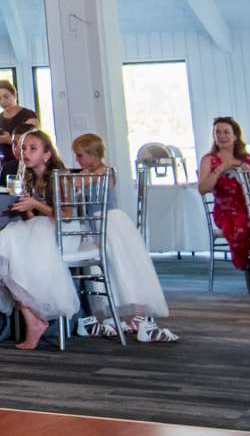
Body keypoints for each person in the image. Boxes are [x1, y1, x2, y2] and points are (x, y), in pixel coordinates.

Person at [0, 129, 81, 350]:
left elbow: (67, 215)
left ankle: (34, 319)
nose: (25, 152)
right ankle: (31, 318)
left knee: (18, 249)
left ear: (47, 154)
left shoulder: (59, 177)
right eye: (23, 148)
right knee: (7, 254)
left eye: (33, 148)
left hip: (65, 232)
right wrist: (25, 207)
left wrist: (34, 205)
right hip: (41, 228)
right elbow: (32, 219)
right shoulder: (28, 176)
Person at [70, 133, 173, 341]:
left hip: (109, 223)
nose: (77, 160)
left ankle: (133, 313)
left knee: (121, 268)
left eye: (80, 156)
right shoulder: (87, 172)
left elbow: (80, 183)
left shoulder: (104, 172)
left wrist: (73, 179)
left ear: (93, 154)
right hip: (95, 224)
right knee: (106, 265)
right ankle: (112, 313)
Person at [196, 116, 250, 275]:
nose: (222, 136)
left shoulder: (248, 158)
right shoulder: (209, 159)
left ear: (235, 136)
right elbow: (203, 189)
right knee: (242, 222)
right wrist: (222, 168)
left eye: (226, 132)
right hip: (226, 211)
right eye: (217, 132)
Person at [0, 80, 39, 180]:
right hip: (5, 167)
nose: (3, 101)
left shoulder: (29, 116)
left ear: (14, 95)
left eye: (6, 96)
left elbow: (36, 145)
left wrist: (10, 141)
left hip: (26, 165)